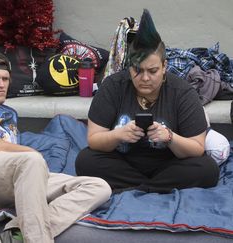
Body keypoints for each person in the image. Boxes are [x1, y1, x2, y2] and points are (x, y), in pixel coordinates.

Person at [0, 51, 111, 243]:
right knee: (31, 160)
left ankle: (15, 234)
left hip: (13, 179)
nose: (2, 84)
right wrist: (31, 153)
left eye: (5, 79)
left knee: (98, 187)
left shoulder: (9, 113)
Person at [75, 9, 220, 194]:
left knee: (208, 168)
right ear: (129, 67)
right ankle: (153, 187)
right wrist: (118, 135)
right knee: (85, 160)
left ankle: (138, 187)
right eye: (137, 70)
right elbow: (94, 140)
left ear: (164, 67)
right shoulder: (113, 86)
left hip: (169, 165)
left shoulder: (182, 92)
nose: (145, 78)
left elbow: (197, 148)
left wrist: (169, 137)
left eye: (152, 71)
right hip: (123, 163)